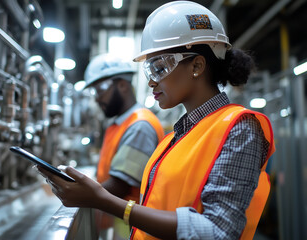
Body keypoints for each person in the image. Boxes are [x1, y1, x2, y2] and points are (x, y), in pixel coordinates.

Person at [38, 1, 275, 239]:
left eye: (159, 68)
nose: (151, 82)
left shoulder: (240, 128)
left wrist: (102, 199)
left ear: (197, 65)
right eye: (150, 71)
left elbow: (217, 232)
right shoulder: (175, 137)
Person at [83, 53, 165, 239]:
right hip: (116, 221)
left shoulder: (139, 125)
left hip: (129, 226)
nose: (97, 98)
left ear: (122, 85)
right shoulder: (119, 124)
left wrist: (79, 191)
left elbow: (120, 185)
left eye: (100, 90)